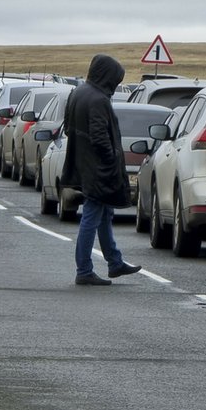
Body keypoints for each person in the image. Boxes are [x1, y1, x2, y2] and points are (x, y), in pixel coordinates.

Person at [61, 54, 142, 286]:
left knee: (105, 214)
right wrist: (111, 157)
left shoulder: (78, 93)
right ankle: (84, 269)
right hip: (98, 169)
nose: (115, 86)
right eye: (115, 80)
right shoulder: (98, 99)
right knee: (92, 215)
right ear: (107, 77)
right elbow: (99, 137)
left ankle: (114, 262)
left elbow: (68, 128)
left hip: (85, 165)